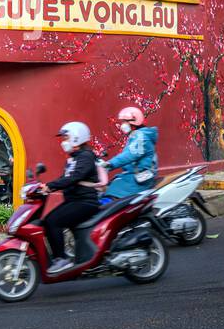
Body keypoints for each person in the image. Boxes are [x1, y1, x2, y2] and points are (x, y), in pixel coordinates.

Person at [38, 122, 101, 274]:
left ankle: (62, 259)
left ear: (77, 138)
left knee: (53, 221)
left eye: (66, 137)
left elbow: (74, 177)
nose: (63, 142)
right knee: (46, 221)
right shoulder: (74, 158)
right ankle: (62, 257)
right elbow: (66, 177)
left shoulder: (85, 157)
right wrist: (44, 186)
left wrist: (51, 186)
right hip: (75, 200)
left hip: (85, 202)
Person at [105, 106, 159, 199]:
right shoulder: (136, 135)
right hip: (133, 176)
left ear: (134, 121)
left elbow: (129, 155)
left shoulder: (141, 136)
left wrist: (109, 164)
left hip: (139, 179)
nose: (122, 125)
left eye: (124, 122)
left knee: (111, 197)